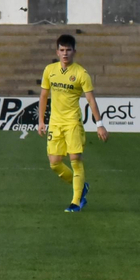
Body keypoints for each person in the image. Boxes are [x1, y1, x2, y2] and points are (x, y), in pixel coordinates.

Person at [37, 33, 107, 212]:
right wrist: (41, 120)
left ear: (74, 51)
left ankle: (76, 201)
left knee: (75, 159)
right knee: (54, 163)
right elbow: (44, 95)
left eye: (68, 50)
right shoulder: (49, 70)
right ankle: (82, 186)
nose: (65, 53)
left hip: (73, 122)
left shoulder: (81, 73)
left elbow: (91, 100)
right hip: (55, 122)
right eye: (62, 50)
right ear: (57, 52)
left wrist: (99, 124)